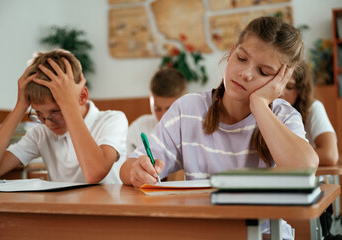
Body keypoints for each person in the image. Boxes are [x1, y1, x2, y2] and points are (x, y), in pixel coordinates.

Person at [120, 16, 319, 239]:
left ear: (282, 80)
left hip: (263, 234)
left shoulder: (282, 115)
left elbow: (304, 168)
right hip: (201, 232)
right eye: (242, 58)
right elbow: (127, 167)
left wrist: (260, 104)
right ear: (231, 52)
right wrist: (137, 171)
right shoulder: (188, 109)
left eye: (263, 72)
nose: (246, 73)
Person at [0, 49, 128, 184]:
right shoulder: (41, 133)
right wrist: (20, 107)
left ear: (82, 97)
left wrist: (68, 105)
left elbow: (94, 173)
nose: (48, 123)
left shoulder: (112, 120)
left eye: (56, 111)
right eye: (39, 114)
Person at [280, 60, 339, 166]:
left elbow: (330, 155)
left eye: (289, 87)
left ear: (301, 89)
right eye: (278, 84)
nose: (280, 92)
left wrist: (287, 159)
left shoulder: (312, 108)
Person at [126, 68, 187, 155]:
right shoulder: (139, 128)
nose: (163, 116)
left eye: (169, 109)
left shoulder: (195, 127)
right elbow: (124, 162)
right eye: (157, 108)